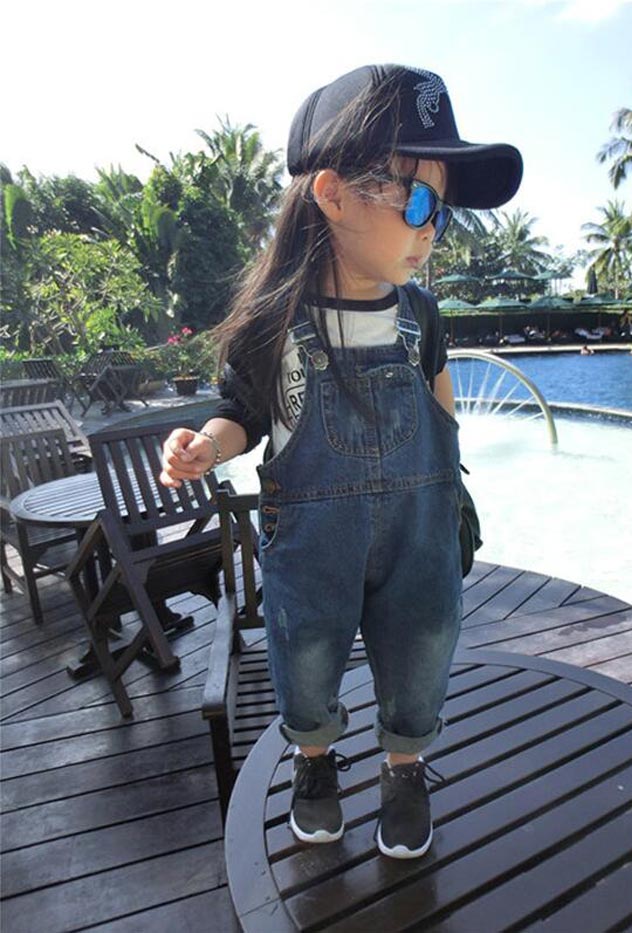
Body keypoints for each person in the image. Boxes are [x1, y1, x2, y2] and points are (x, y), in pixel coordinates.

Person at [160, 64, 522, 859]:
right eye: (417, 201)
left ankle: (404, 770)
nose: (431, 228)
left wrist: (445, 496)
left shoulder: (422, 317)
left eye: (443, 212)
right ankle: (315, 761)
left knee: (422, 647)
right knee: (307, 653)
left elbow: (443, 415)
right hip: (313, 541)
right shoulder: (277, 323)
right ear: (331, 193)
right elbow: (244, 413)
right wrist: (205, 447)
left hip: (416, 533)